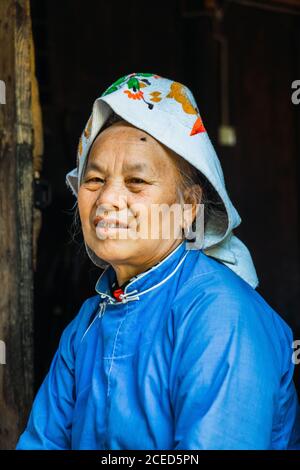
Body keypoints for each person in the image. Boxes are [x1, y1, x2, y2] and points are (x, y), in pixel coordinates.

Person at [16, 72, 300, 450]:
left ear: (189, 207)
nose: (108, 200)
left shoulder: (220, 314)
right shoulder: (85, 325)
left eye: (136, 182)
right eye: (95, 180)